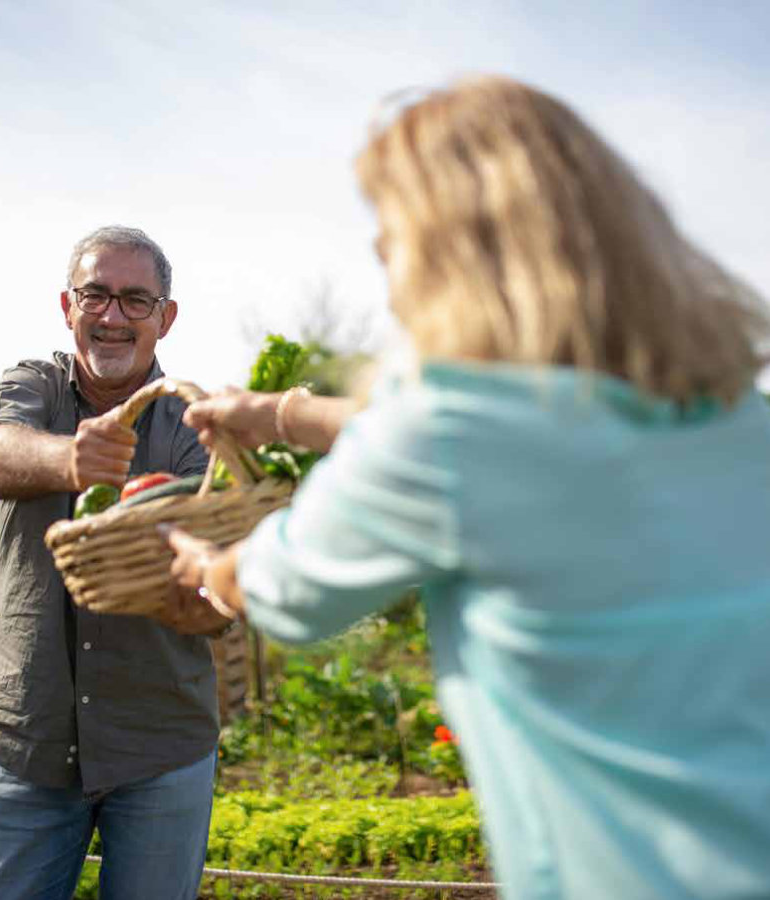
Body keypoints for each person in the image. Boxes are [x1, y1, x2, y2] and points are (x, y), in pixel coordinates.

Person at [162, 78, 770, 899]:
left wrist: (204, 567)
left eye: (391, 233)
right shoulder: (735, 418)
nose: (383, 259)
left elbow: (289, 592)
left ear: (445, 249)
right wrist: (277, 414)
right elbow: (476, 441)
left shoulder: (448, 438)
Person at [0, 225, 231, 900]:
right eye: (96, 296)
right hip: (30, 737)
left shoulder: (196, 423)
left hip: (160, 742)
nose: (112, 316)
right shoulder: (32, 387)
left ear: (165, 318)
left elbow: (214, 568)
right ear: (67, 306)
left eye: (136, 301)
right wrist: (68, 459)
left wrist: (207, 584)